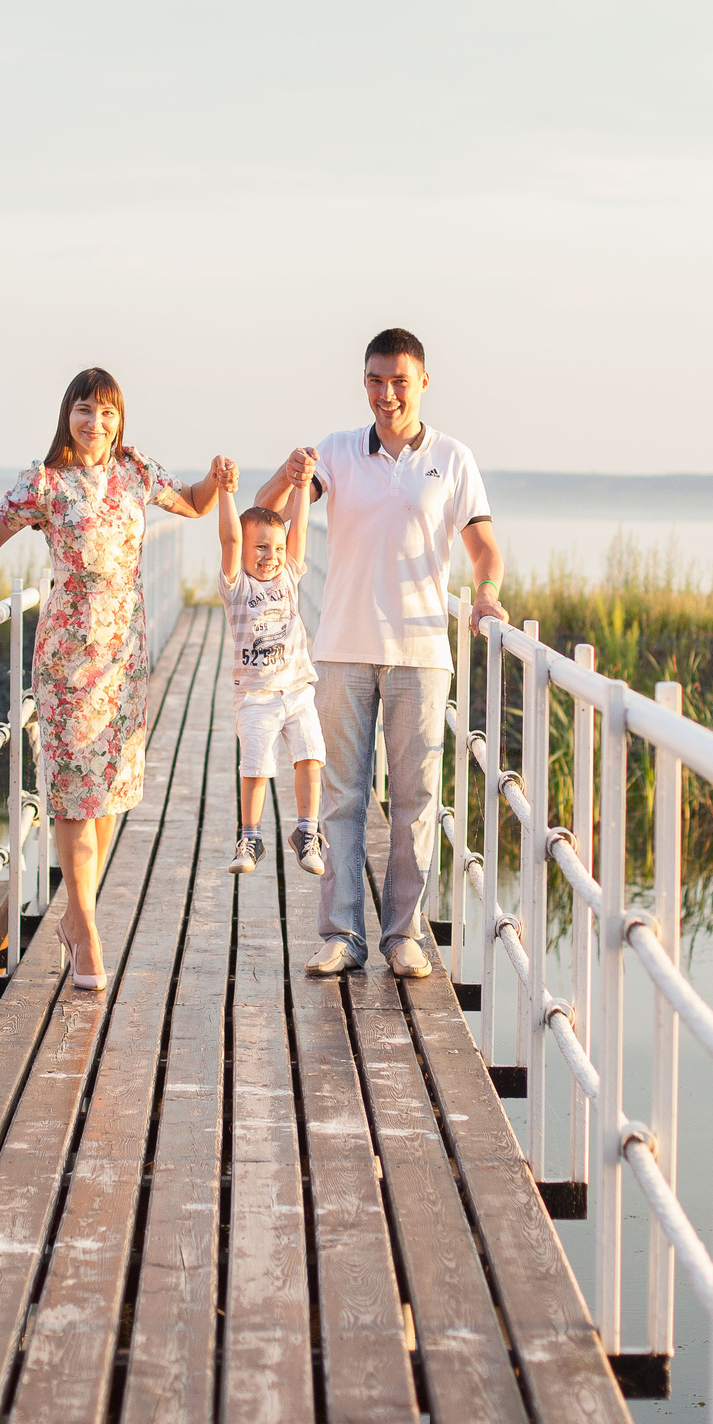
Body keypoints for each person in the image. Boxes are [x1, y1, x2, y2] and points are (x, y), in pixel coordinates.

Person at [0, 367, 230, 991]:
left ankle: (74, 913)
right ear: (69, 415)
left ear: (120, 420)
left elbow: (193, 505)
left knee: (109, 790)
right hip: (66, 657)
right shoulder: (45, 483)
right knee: (71, 795)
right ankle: (84, 927)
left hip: (124, 657)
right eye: (85, 409)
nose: (96, 423)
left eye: (107, 412)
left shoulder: (135, 473)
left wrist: (219, 482)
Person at [259, 328, 507, 979]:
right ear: (363, 382)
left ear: (422, 381)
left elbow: (483, 546)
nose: (386, 392)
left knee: (416, 798)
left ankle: (404, 935)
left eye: (399, 380)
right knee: (340, 798)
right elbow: (267, 513)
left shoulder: (453, 458)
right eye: (375, 379)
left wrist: (485, 593)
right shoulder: (337, 451)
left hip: (422, 653)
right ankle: (342, 933)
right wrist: (288, 474)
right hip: (342, 648)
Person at [210, 457, 328, 879]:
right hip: (256, 695)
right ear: (244, 550)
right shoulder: (236, 587)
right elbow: (227, 539)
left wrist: (302, 484)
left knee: (311, 754)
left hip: (297, 689)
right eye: (260, 547)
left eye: (276, 549)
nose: (271, 557)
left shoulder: (289, 577)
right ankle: (251, 837)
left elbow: (297, 532)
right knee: (256, 765)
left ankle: (307, 832)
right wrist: (225, 490)